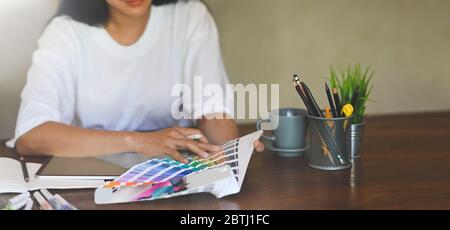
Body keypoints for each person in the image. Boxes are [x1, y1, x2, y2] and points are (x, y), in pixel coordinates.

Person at [7, 0, 264, 167]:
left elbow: (212, 112)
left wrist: (233, 150)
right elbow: (32, 134)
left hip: (176, 169)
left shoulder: (190, 15)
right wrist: (139, 141)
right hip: (92, 172)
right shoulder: (66, 32)